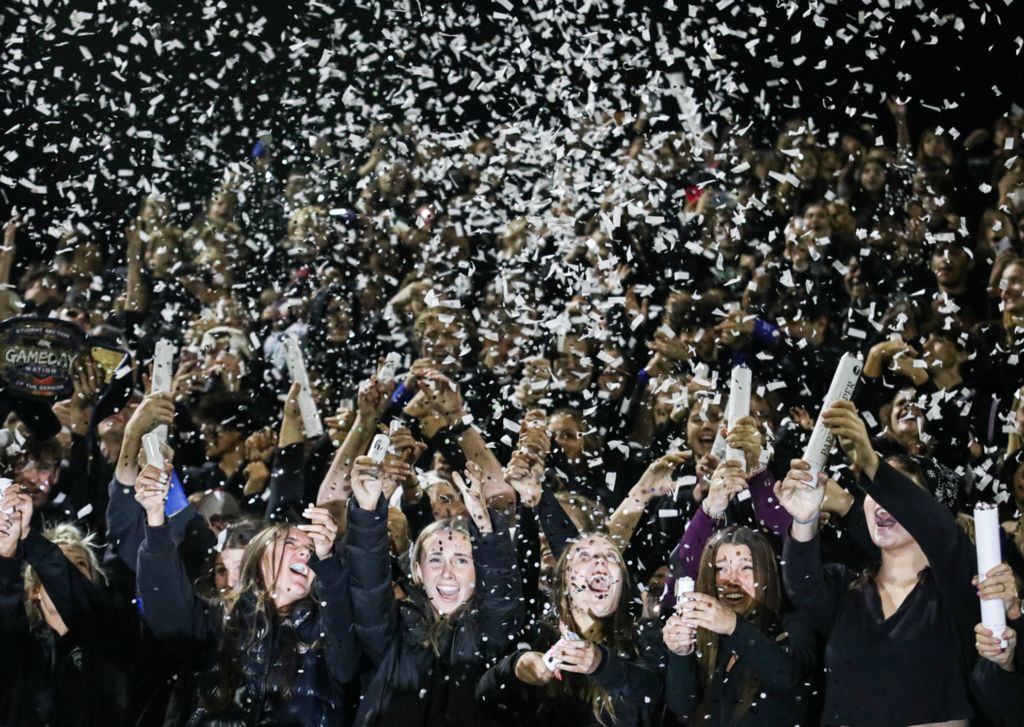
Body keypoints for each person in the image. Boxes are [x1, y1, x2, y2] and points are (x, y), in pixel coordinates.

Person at [777, 399, 979, 726]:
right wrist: (804, 521)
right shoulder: (848, 589)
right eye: (874, 492)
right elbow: (803, 588)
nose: (881, 501)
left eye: (894, 491)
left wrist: (871, 462)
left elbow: (941, 533)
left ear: (929, 509)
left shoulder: (959, 585)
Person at [134, 460, 359, 725]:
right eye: (290, 542)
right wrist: (155, 518)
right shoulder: (221, 619)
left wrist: (328, 561)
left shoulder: (325, 629)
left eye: (312, 551)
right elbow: (166, 610)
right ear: (258, 556)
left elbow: (345, 665)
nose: (304, 552)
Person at [345, 455, 523, 726]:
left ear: (480, 570)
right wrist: (368, 513)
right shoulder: (393, 626)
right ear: (417, 571)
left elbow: (502, 598)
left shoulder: (489, 631)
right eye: (436, 559)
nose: (447, 573)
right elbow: (368, 588)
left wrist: (484, 525)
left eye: (462, 560)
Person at [476, 532, 664, 727]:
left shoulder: (646, 635)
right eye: (584, 555)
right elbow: (486, 701)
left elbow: (652, 692)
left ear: (623, 582)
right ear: (564, 578)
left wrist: (602, 664)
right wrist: (515, 669)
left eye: (611, 556)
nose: (600, 560)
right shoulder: (535, 634)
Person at [0, 486, 132, 726]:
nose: (66, 574)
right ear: (35, 590)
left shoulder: (109, 639)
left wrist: (29, 537)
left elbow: (82, 604)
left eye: (80, 566)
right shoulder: (24, 646)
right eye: (59, 567)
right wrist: (6, 557)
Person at [662, 526, 816, 726]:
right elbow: (682, 706)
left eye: (746, 568)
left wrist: (734, 627)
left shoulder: (794, 624)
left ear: (767, 573)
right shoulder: (703, 630)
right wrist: (680, 654)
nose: (732, 580)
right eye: (721, 569)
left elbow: (787, 675)